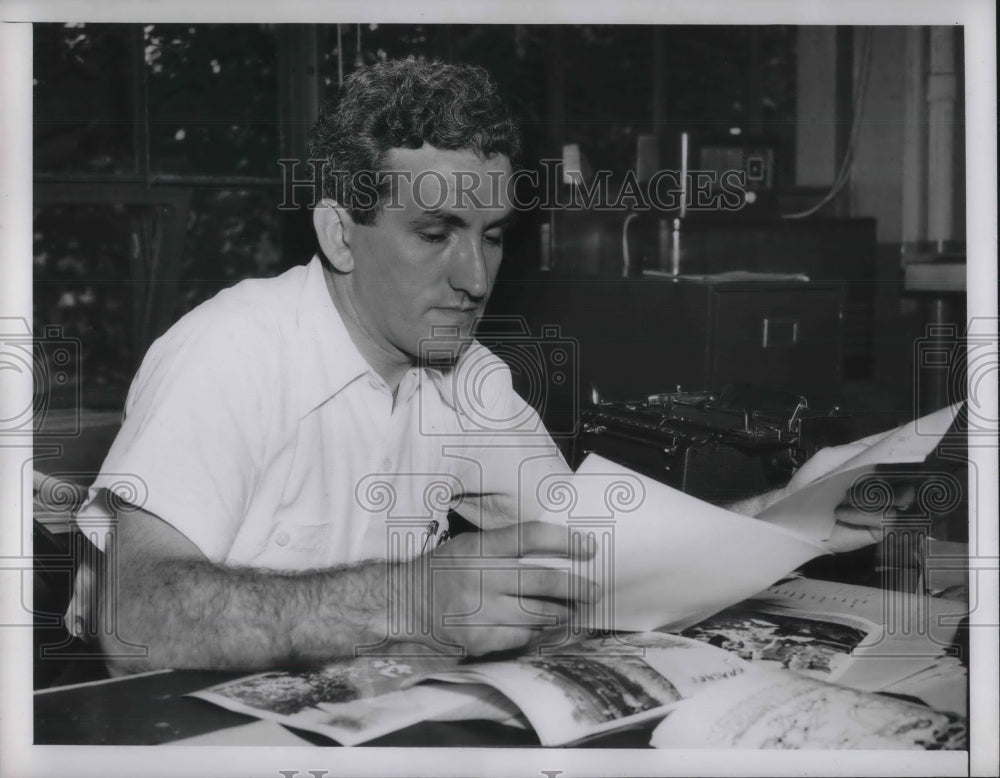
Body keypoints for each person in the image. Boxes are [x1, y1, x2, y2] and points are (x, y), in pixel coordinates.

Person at [70, 59, 886, 675]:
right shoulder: (230, 350)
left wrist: (788, 511)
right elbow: (133, 624)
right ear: (338, 233)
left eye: (492, 235)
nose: (474, 278)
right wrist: (408, 599)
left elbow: (591, 546)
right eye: (436, 233)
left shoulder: (464, 376)